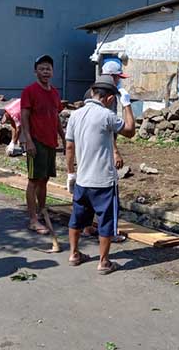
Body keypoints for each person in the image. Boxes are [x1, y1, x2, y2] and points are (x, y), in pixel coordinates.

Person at [65, 75, 135, 274]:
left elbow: (69, 147)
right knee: (106, 221)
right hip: (103, 181)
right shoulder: (107, 115)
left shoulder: (75, 115)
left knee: (77, 218)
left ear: (93, 93)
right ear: (110, 99)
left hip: (82, 179)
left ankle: (74, 254)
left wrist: (71, 173)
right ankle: (104, 262)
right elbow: (130, 131)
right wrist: (127, 105)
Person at [81, 60, 130, 240]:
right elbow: (109, 126)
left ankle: (87, 227)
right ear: (112, 76)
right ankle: (110, 232)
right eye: (118, 77)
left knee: (87, 190)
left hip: (88, 151)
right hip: (101, 151)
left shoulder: (92, 92)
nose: (119, 81)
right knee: (108, 193)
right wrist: (115, 151)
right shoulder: (110, 95)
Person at [21, 54, 65, 235]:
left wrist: (63, 136)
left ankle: (43, 210)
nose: (45, 72)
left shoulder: (54, 92)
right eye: (42, 68)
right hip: (36, 141)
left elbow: (56, 117)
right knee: (33, 180)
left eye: (48, 69)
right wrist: (28, 140)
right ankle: (33, 219)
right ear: (35, 71)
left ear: (52, 72)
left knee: (45, 178)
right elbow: (24, 117)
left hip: (50, 142)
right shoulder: (29, 91)